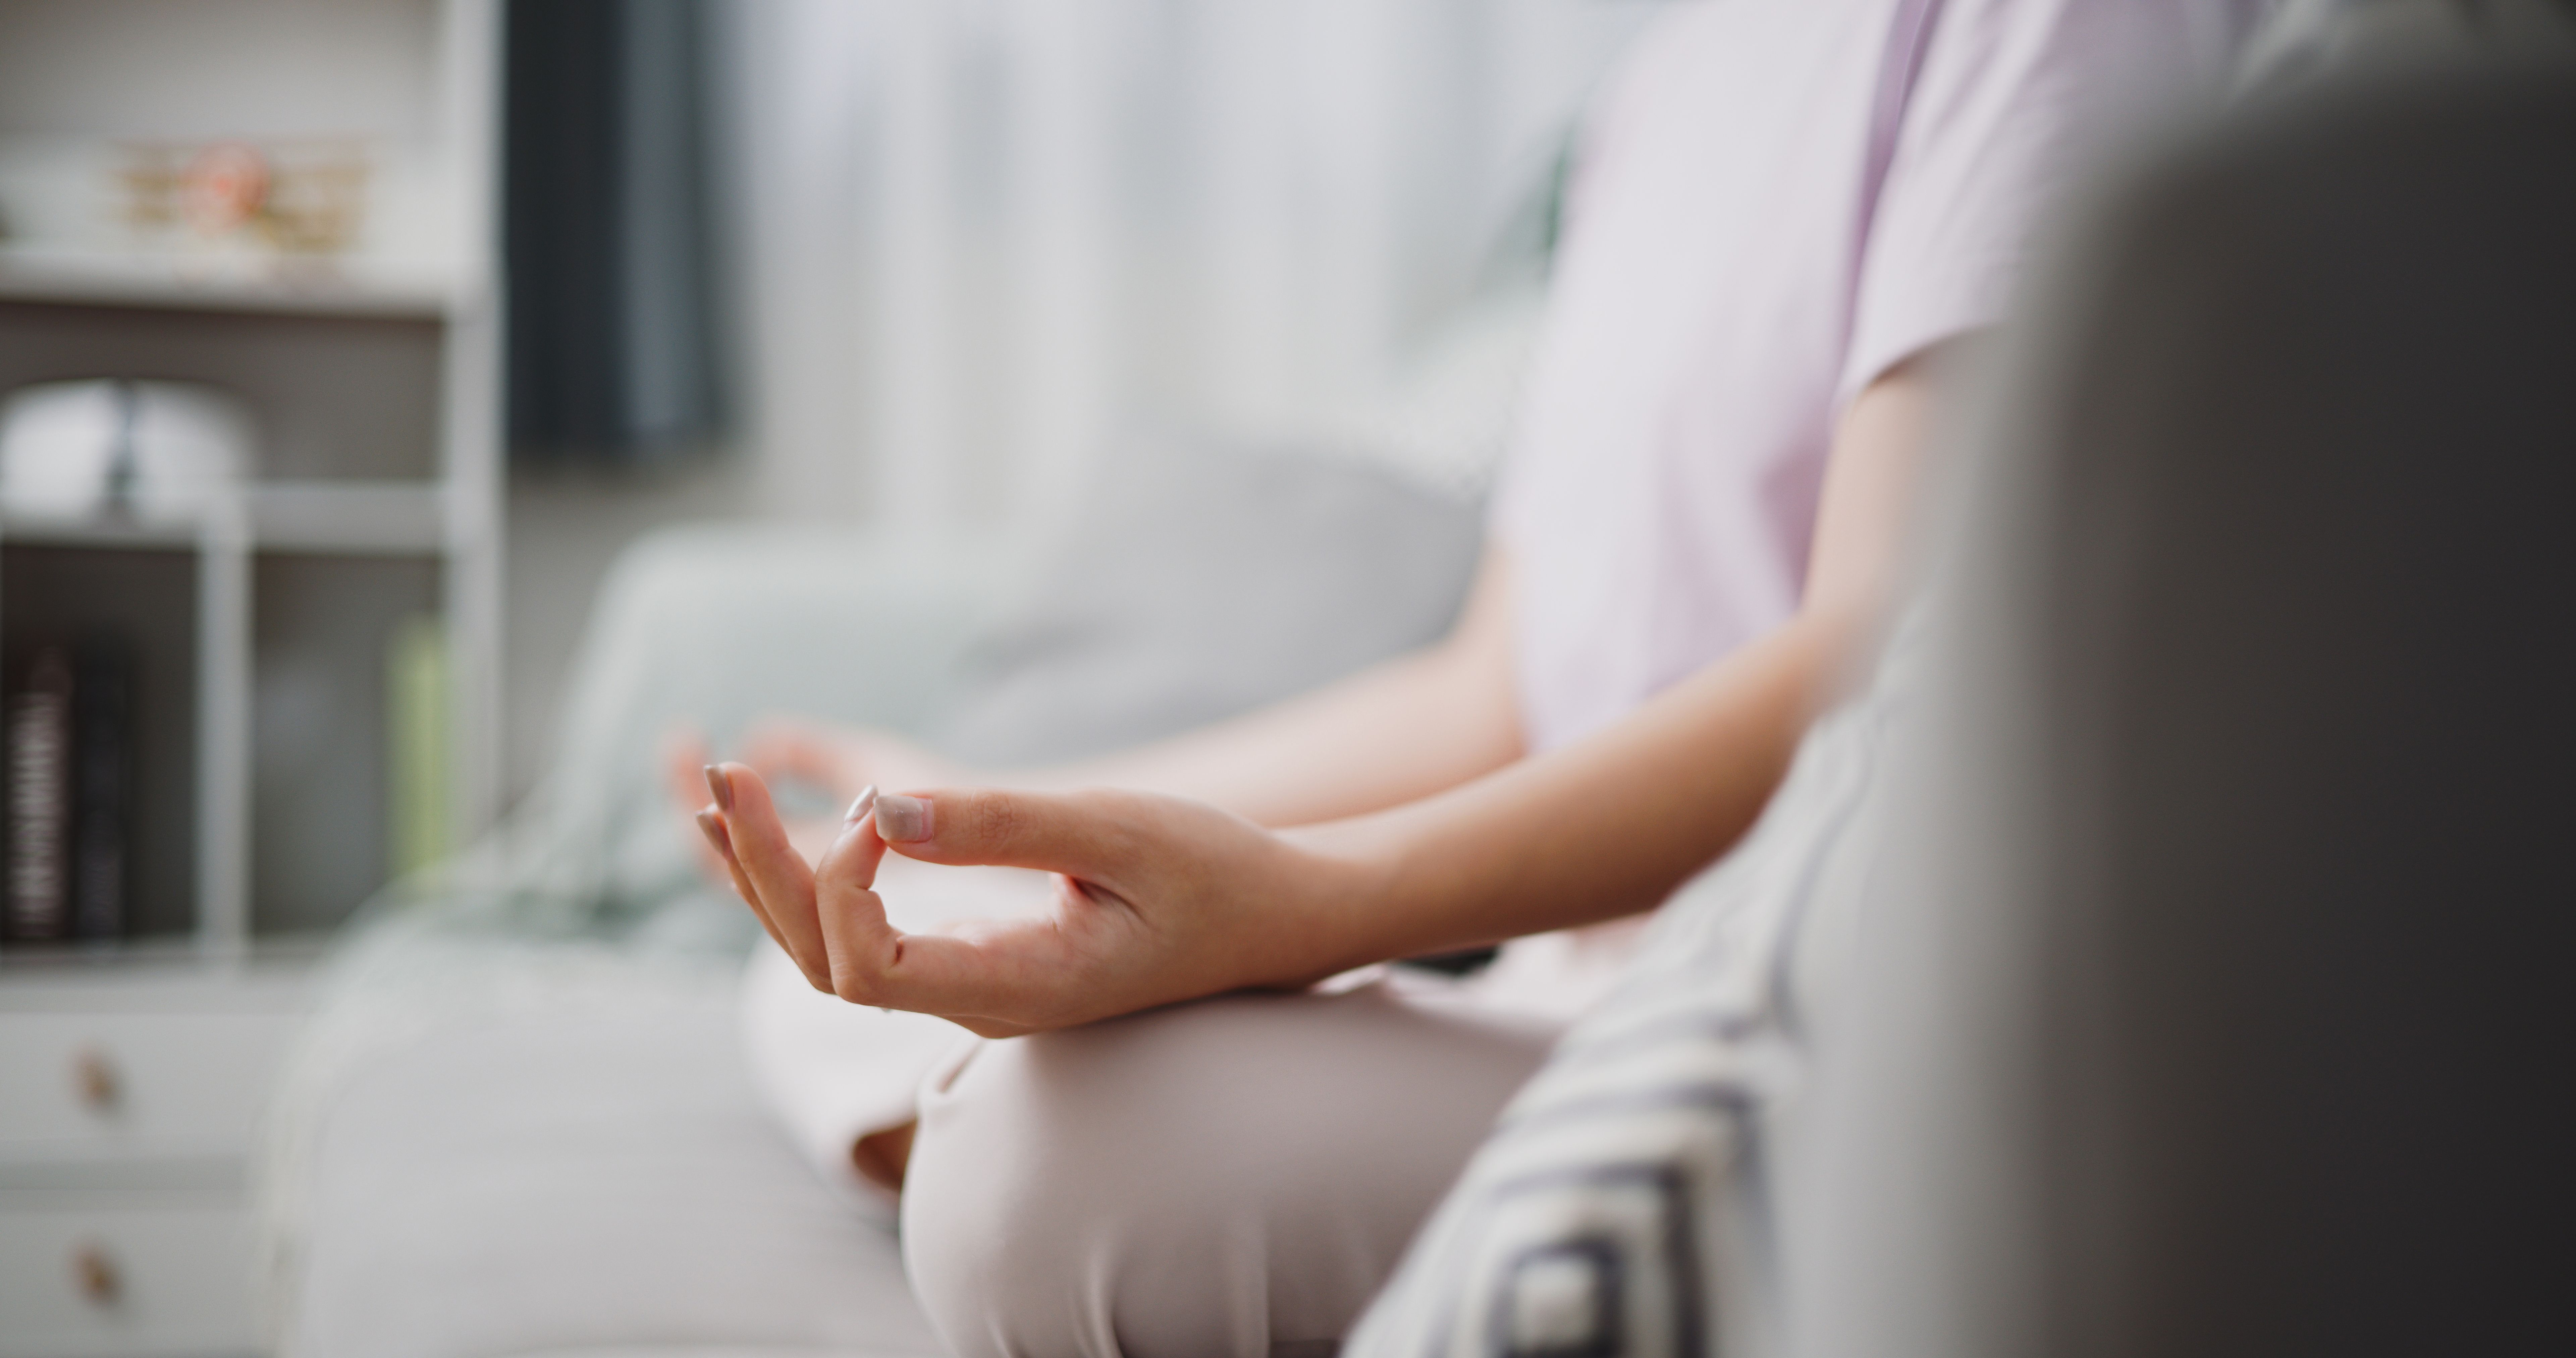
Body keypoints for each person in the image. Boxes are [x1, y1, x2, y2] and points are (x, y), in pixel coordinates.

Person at [691, 3, 2247, 1354]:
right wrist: (995, 814)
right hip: (1552, 977)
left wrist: (1306, 908)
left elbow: (1878, 670)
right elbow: (1494, 690)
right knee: (842, 969)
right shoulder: (1667, 81)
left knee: (1028, 1169)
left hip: (1793, 1018)